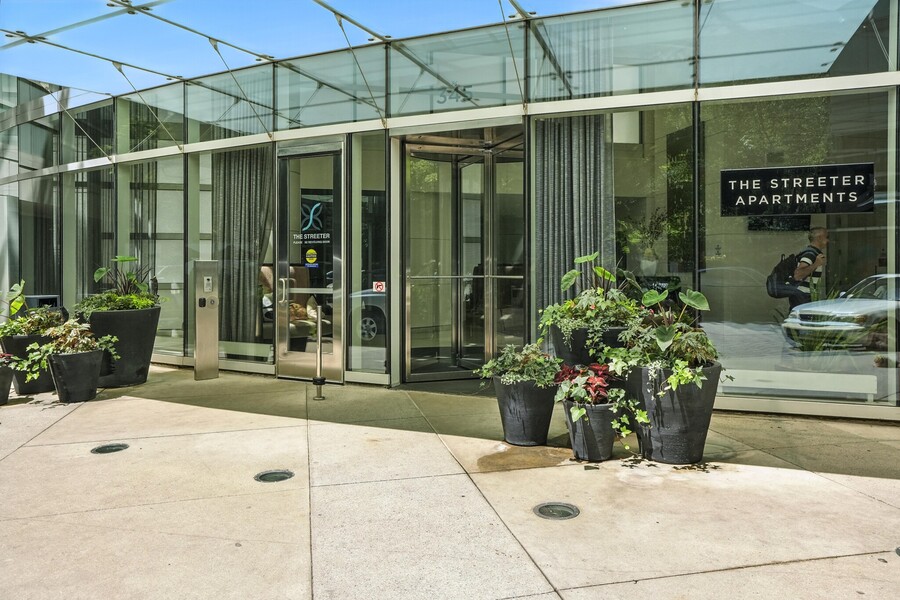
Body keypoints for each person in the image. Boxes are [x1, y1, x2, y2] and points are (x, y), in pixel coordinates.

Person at [790, 226, 829, 308]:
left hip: (804, 296)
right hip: (803, 296)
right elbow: (798, 275)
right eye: (826, 237)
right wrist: (816, 264)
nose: (828, 240)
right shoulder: (810, 254)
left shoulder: (813, 253)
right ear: (819, 238)